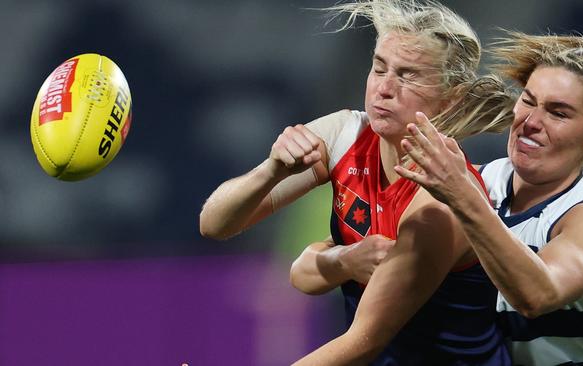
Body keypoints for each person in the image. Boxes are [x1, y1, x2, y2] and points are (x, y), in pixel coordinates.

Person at [200, 0, 514, 364]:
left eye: (408, 75)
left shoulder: (441, 202)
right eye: (379, 68)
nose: (384, 88)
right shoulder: (345, 135)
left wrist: (330, 261)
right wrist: (272, 170)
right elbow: (216, 223)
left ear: (451, 98)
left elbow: (364, 342)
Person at [394, 31, 583, 365]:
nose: (531, 122)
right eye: (528, 100)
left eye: (558, 113)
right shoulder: (470, 180)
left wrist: (464, 198)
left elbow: (537, 295)